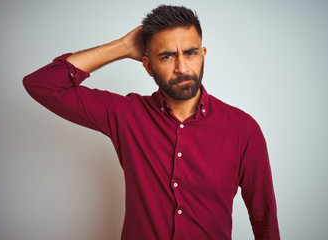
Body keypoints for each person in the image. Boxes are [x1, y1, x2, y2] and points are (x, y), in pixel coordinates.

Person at [23, 4, 280, 240]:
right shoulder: (127, 114)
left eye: (190, 53)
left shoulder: (243, 129)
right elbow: (42, 85)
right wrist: (122, 47)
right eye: (167, 56)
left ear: (203, 54)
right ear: (148, 66)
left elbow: (264, 220)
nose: (182, 67)